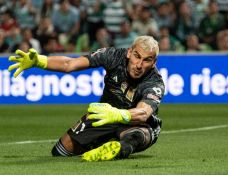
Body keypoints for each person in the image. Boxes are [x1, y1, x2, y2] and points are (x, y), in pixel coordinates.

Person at [7, 35, 165, 161]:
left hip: (136, 124)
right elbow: (70, 64)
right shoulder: (113, 56)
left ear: (153, 63)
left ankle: (119, 149)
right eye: (137, 56)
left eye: (147, 60)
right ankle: (103, 143)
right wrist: (40, 61)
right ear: (130, 52)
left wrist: (118, 114)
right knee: (60, 152)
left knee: (135, 137)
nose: (139, 64)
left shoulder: (155, 82)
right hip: (104, 117)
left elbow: (143, 112)